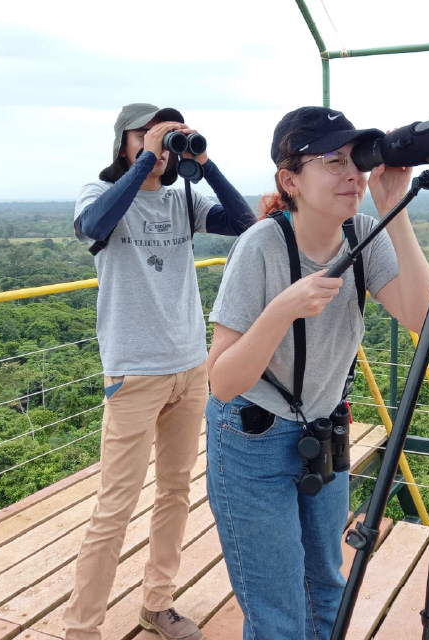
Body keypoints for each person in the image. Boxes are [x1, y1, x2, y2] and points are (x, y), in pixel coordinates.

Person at [204, 106, 429, 639]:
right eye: (332, 162)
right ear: (291, 180)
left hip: (324, 432)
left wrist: (393, 210)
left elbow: (425, 320)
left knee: (328, 588)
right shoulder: (261, 246)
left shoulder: (363, 233)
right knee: (279, 611)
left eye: (354, 160)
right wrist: (282, 309)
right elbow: (221, 381)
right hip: (249, 437)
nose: (351, 175)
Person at [63, 103, 254, 640]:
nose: (161, 144)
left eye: (168, 135)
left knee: (175, 492)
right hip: (134, 372)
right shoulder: (97, 195)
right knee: (115, 505)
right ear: (122, 141)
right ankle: (81, 626)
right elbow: (92, 227)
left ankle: (157, 603)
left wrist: (205, 163)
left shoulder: (181, 201)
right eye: (147, 134)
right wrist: (143, 162)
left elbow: (245, 223)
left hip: (191, 366)